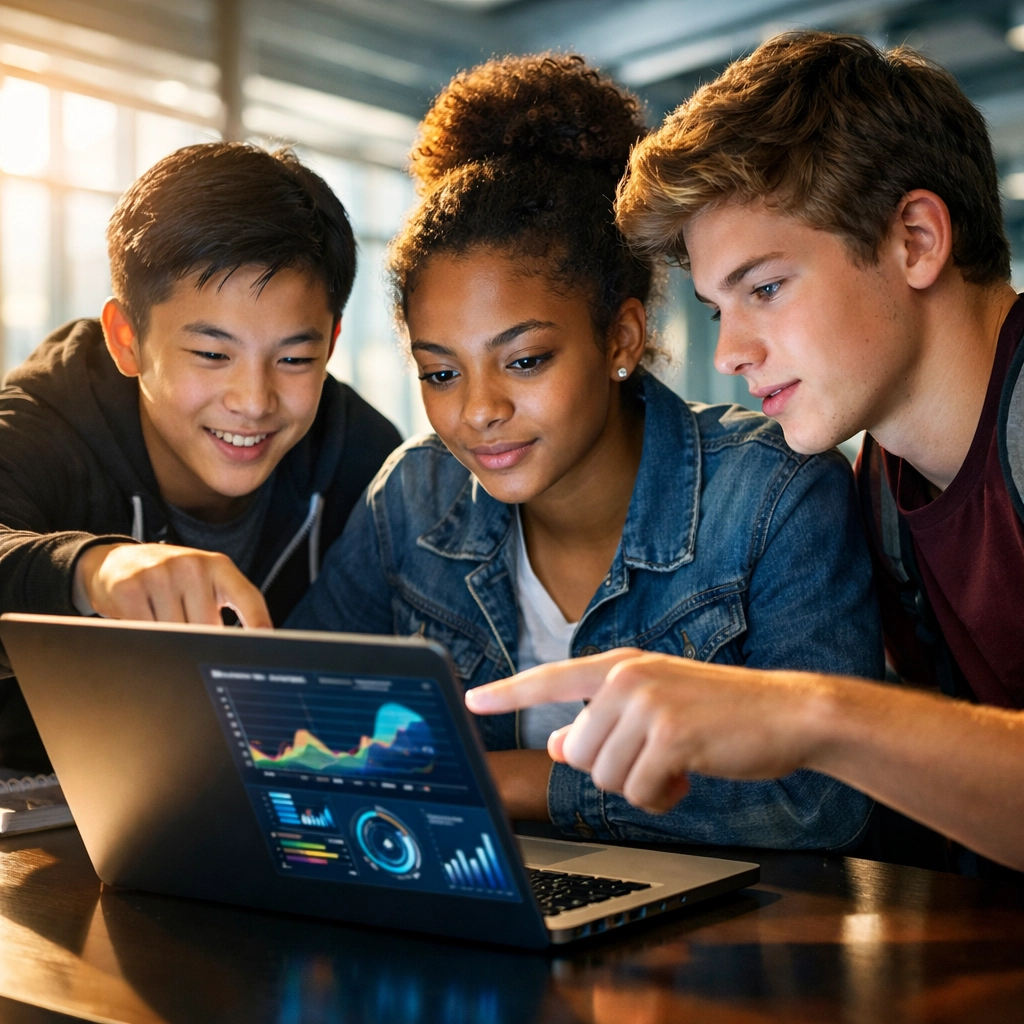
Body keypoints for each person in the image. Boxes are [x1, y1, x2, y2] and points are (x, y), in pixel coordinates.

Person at [289, 54, 884, 849]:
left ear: (622, 339)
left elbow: (822, 801)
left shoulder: (773, 495)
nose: (478, 412)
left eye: (525, 360)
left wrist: (512, 783)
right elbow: (290, 710)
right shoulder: (415, 497)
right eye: (440, 372)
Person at [465, 32, 1024, 873]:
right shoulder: (887, 484)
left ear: (914, 239)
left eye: (764, 288)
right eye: (716, 306)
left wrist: (815, 717)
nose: (728, 354)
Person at [0, 143, 401, 769]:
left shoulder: (364, 458)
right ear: (126, 340)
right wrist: (93, 571)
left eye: (295, 358)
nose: (254, 400)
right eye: (213, 355)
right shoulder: (47, 416)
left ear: (331, 344)